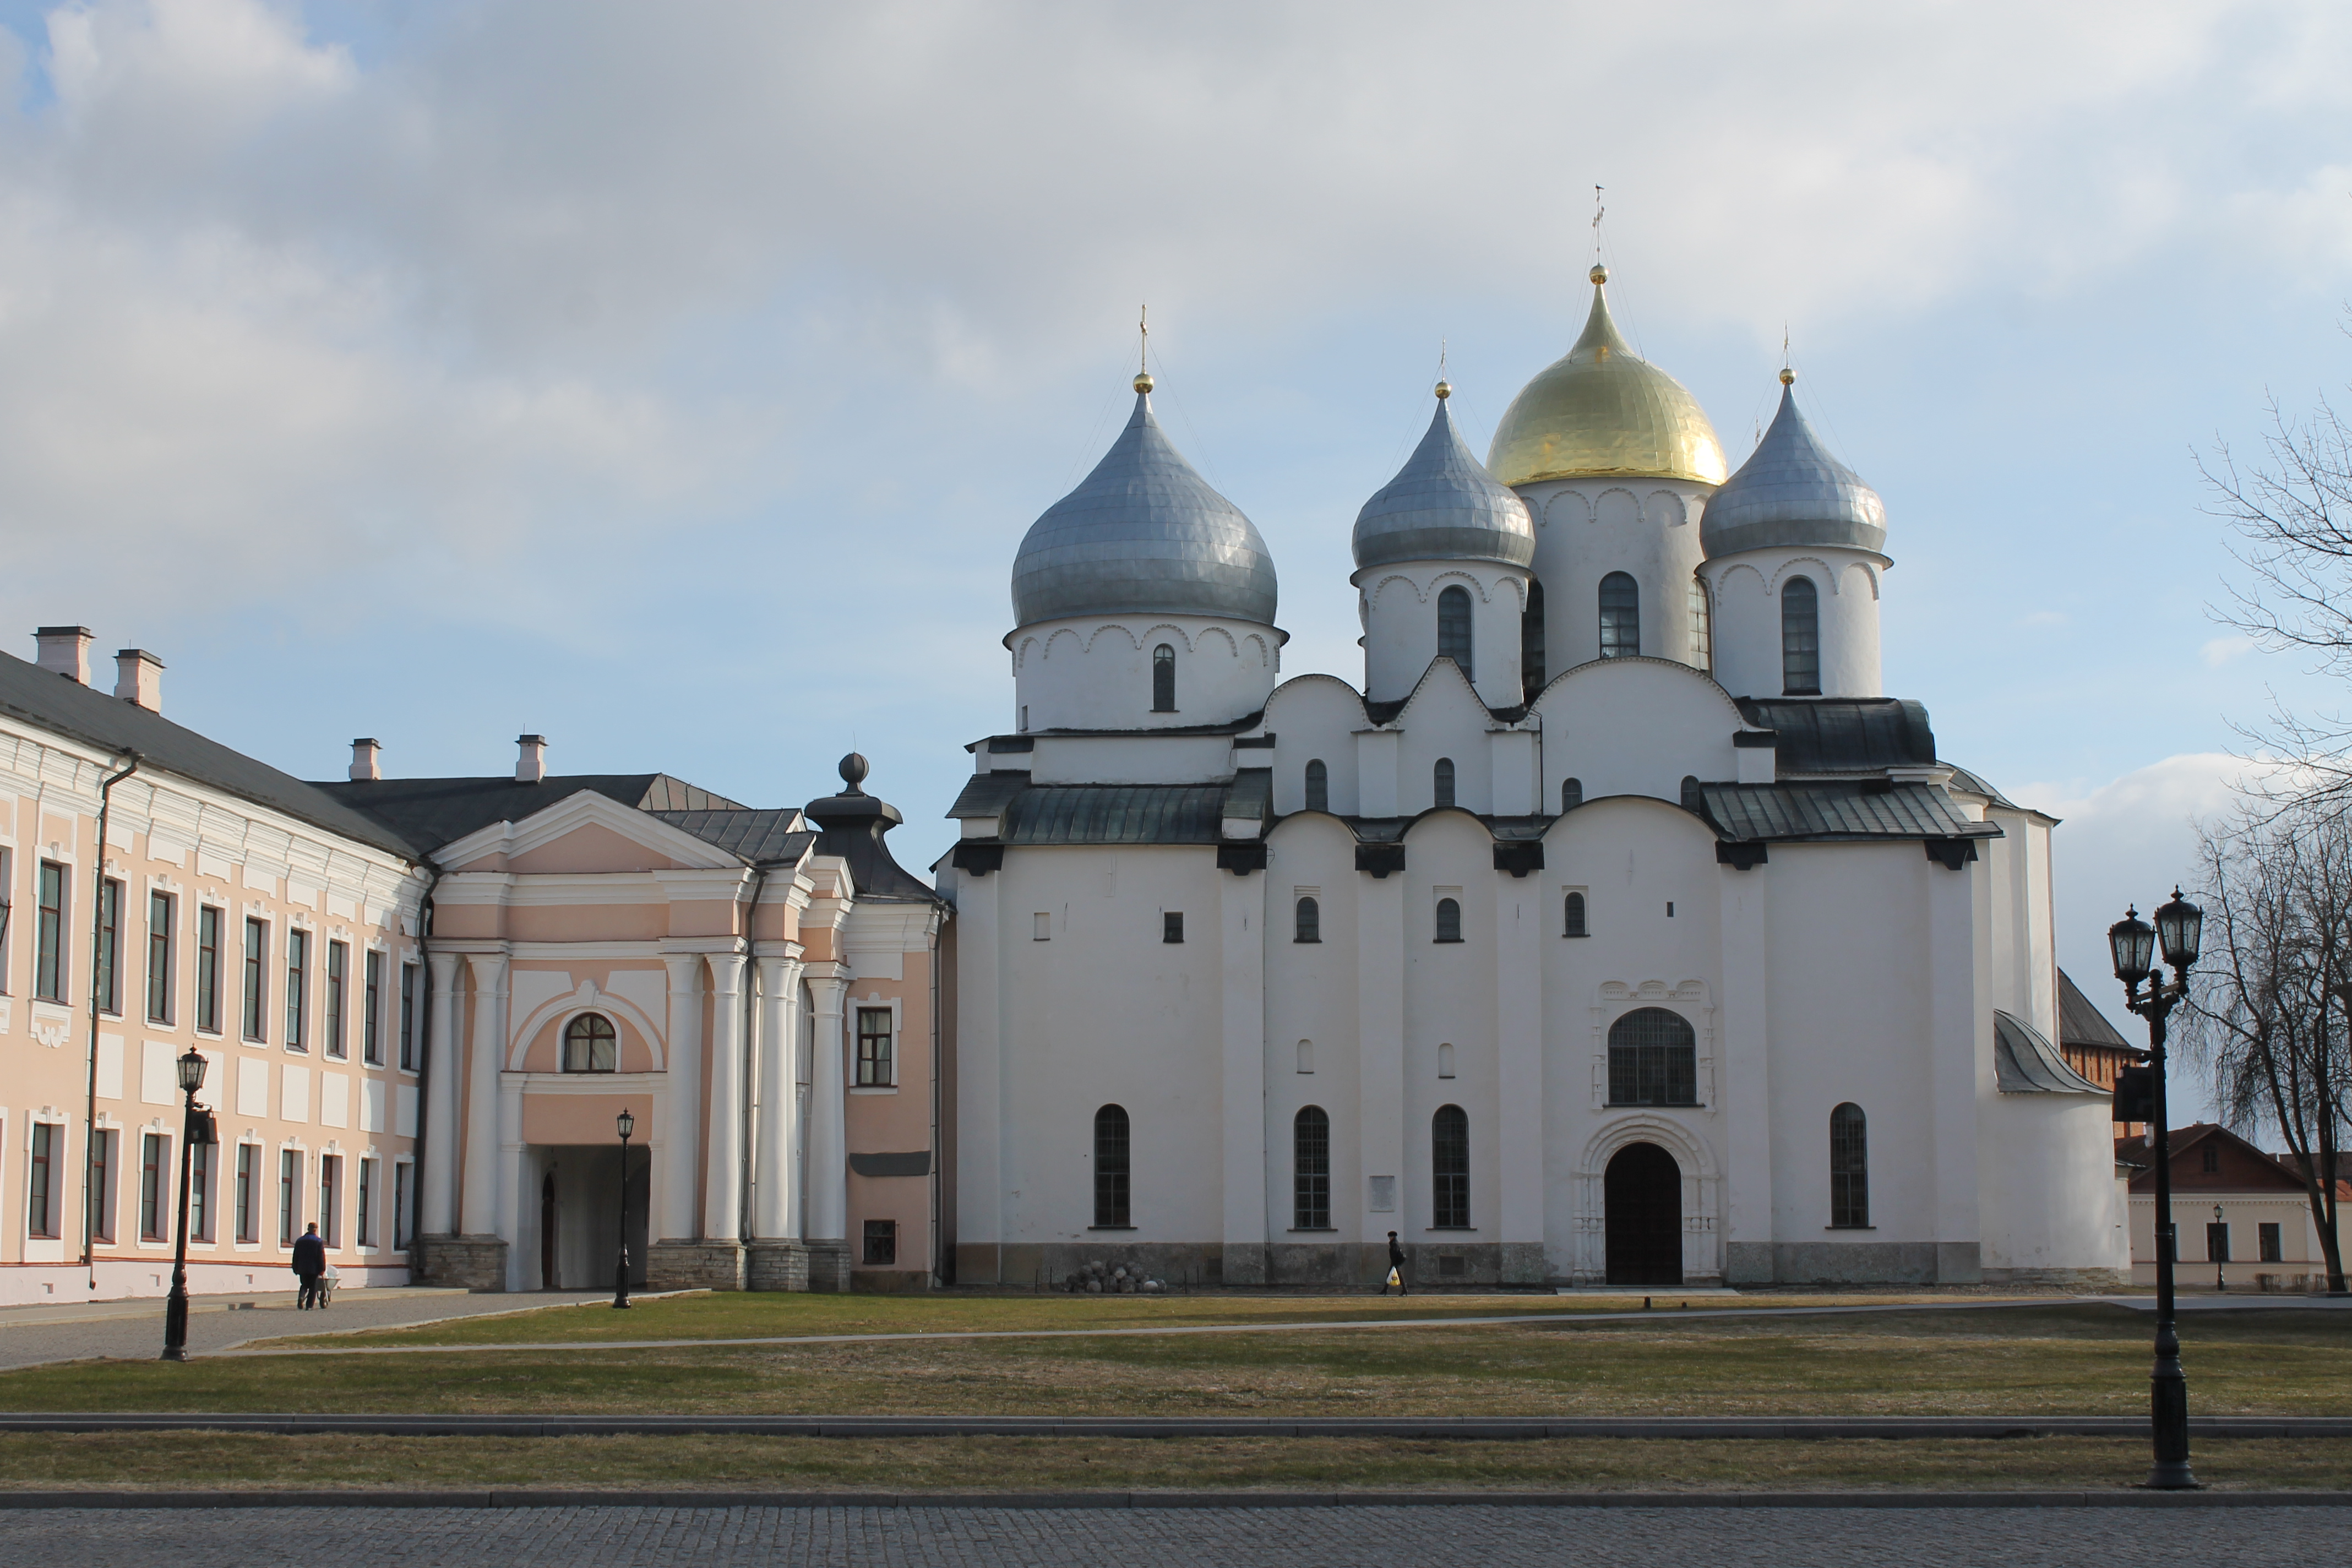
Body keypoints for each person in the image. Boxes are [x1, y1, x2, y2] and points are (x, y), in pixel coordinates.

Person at [292, 1222, 328, 1309]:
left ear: (308, 1229)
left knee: (304, 1284)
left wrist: (295, 1267)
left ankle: (301, 1297)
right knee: (313, 1287)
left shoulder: (300, 1240)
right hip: (314, 1268)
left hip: (302, 1267)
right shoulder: (318, 1241)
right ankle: (309, 1306)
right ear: (315, 1230)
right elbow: (321, 1256)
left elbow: (296, 1255)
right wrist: (322, 1268)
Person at [1382, 1230, 1408, 1295]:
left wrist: (1393, 1264)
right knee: (1392, 1275)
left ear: (1393, 1237)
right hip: (1397, 1262)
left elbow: (1394, 1254)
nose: (1389, 1238)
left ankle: (1404, 1290)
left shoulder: (1394, 1244)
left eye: (1390, 1237)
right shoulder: (1394, 1243)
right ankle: (1385, 1290)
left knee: (1396, 1275)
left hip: (1396, 1262)